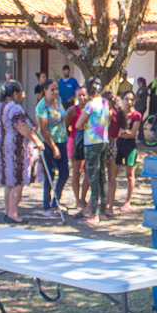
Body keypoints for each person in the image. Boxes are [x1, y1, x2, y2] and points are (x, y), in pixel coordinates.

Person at [0, 80, 44, 224]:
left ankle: (8, 211)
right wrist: (36, 140)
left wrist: (0, 128)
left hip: (1, 143)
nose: (23, 95)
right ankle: (13, 214)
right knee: (18, 179)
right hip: (16, 147)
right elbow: (21, 126)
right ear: (15, 94)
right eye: (21, 92)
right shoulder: (14, 108)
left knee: (8, 181)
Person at [78, 79, 114, 224]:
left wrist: (86, 125)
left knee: (93, 177)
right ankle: (103, 212)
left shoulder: (91, 105)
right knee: (102, 177)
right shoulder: (105, 103)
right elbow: (110, 116)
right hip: (104, 141)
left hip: (92, 143)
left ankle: (93, 214)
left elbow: (78, 124)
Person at [34, 78, 70, 217]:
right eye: (52, 90)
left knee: (64, 172)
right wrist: (54, 147)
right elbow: (43, 129)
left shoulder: (59, 101)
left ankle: (56, 201)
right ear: (45, 91)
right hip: (49, 143)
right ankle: (46, 205)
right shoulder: (42, 107)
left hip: (62, 140)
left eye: (56, 89)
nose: (55, 92)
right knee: (50, 174)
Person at [114, 90, 142, 212]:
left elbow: (132, 134)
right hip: (117, 146)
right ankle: (110, 199)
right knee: (112, 174)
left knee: (130, 175)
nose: (129, 102)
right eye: (126, 99)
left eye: (131, 99)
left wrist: (122, 133)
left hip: (130, 147)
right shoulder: (118, 114)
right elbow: (114, 132)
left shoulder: (136, 115)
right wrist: (122, 133)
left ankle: (128, 201)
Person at [66, 83, 90, 216]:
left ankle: (83, 197)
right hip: (75, 142)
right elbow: (66, 126)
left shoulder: (91, 109)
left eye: (84, 95)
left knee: (88, 172)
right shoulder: (72, 110)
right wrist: (72, 137)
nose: (82, 98)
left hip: (89, 143)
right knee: (77, 172)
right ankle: (77, 200)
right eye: (79, 95)